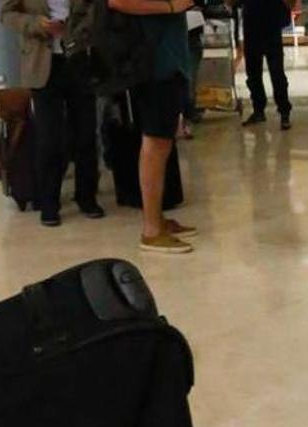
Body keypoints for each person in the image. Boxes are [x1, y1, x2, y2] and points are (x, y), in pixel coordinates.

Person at [1, 0, 105, 227]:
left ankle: (87, 197)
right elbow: (7, 15)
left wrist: (79, 27)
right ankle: (48, 202)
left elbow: (95, 8)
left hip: (80, 57)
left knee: (86, 133)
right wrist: (35, 23)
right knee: (49, 138)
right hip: (42, 62)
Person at [108, 0, 199, 254]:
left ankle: (157, 219)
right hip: (153, 66)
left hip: (168, 63)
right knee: (155, 143)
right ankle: (151, 230)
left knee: (162, 142)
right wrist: (171, 6)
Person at [233, 0, 295, 130]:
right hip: (252, 24)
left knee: (276, 72)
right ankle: (258, 110)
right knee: (253, 72)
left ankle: (284, 111)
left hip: (271, 23)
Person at [178, 5, 208, 139]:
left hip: (191, 36)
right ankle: (185, 119)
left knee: (189, 82)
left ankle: (187, 120)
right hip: (174, 36)